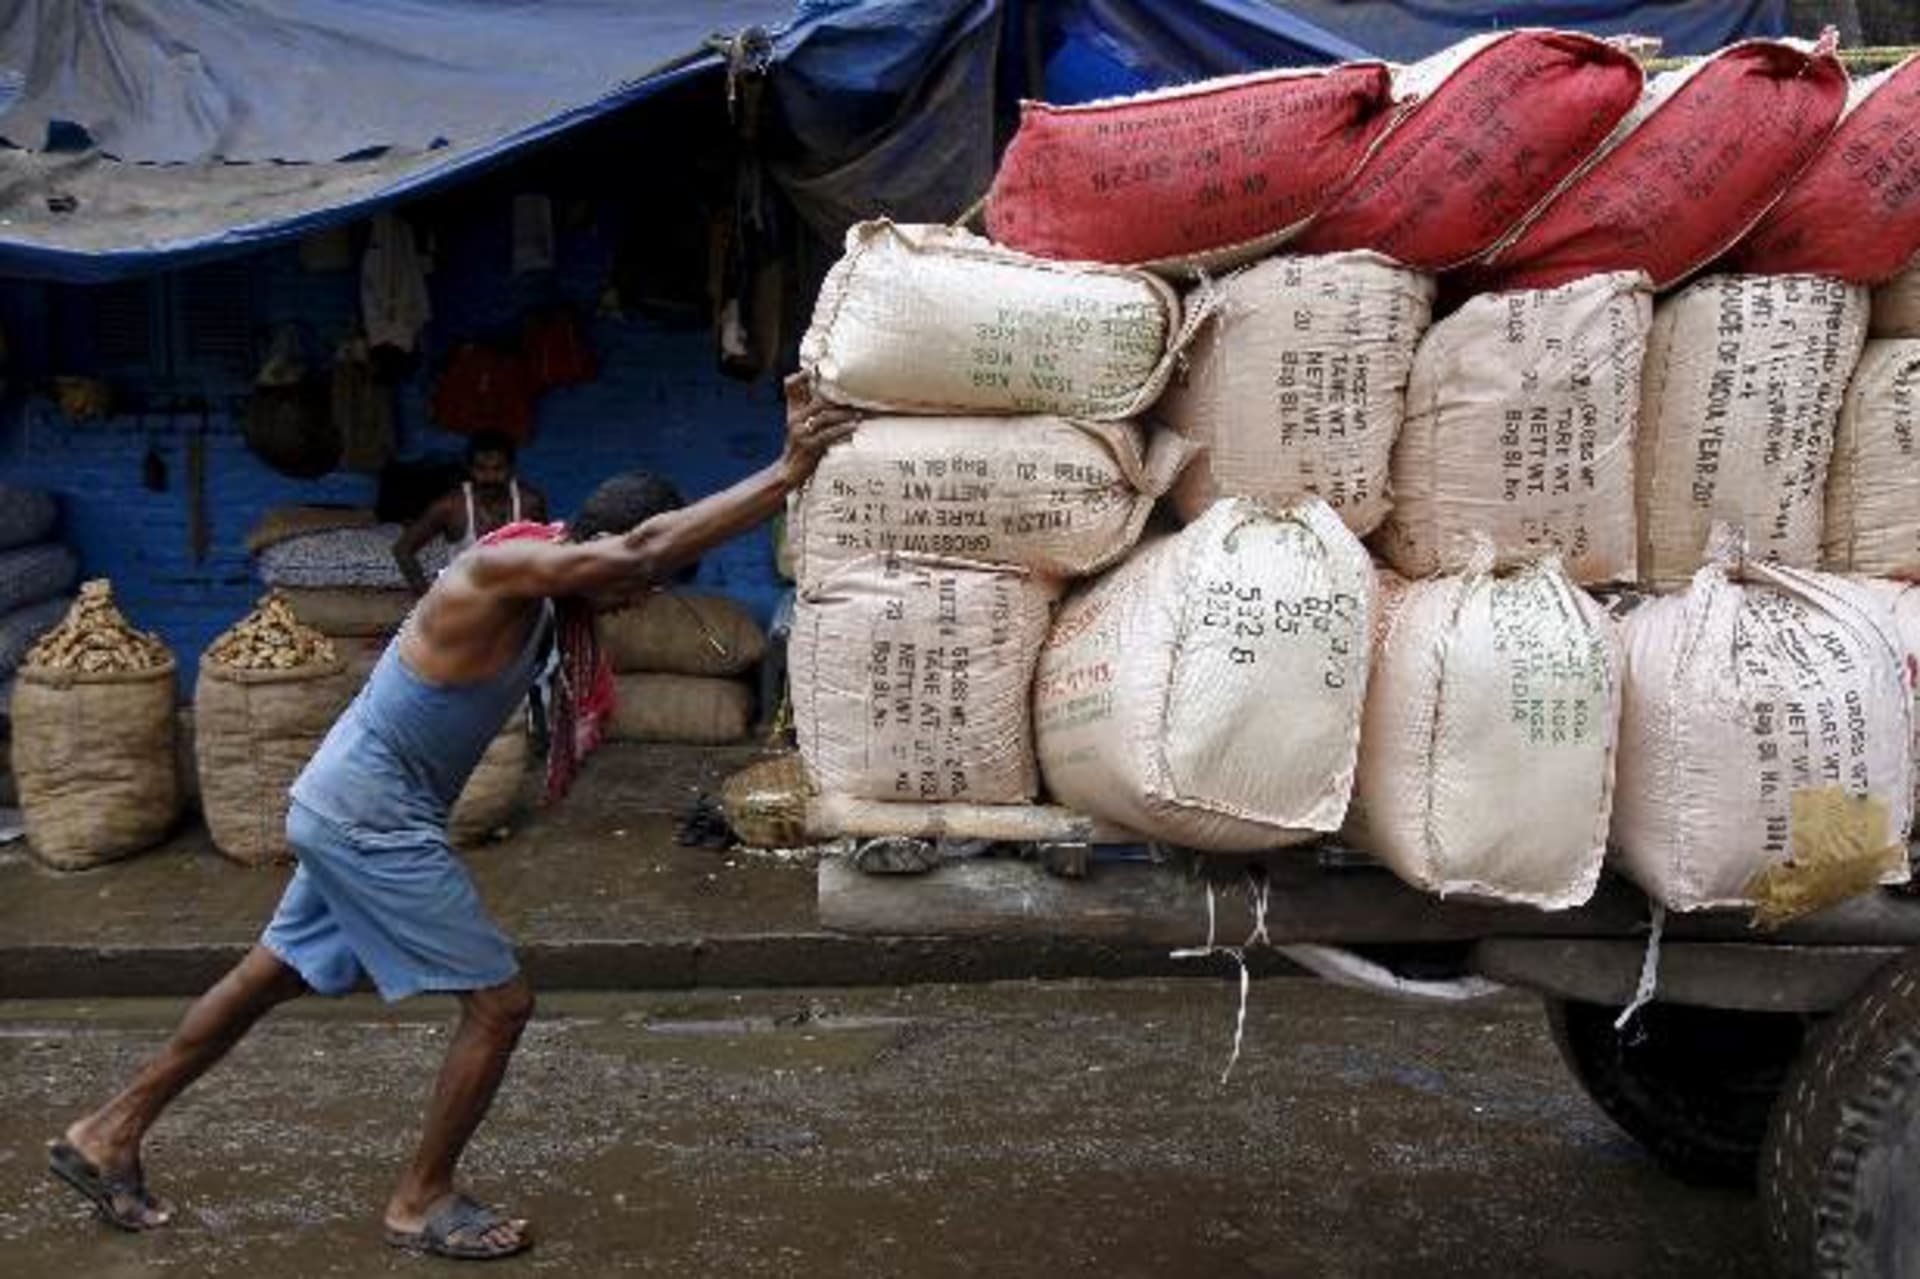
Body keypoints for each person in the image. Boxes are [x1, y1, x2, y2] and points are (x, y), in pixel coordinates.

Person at [46, 376, 855, 1261]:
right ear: (611, 551)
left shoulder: (547, 593)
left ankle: (106, 1131)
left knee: (266, 978)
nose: (634, 604)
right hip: (370, 814)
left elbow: (630, 563)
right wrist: (787, 472)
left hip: (351, 803)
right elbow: (638, 555)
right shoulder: (502, 569)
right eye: (642, 584)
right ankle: (418, 1198)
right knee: (501, 1004)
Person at [393, 431, 549, 595]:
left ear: (511, 468)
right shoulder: (451, 507)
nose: (489, 477)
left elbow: (547, 553)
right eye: (481, 469)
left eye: (498, 469)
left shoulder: (529, 504)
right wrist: (427, 598)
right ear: (469, 469)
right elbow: (403, 549)